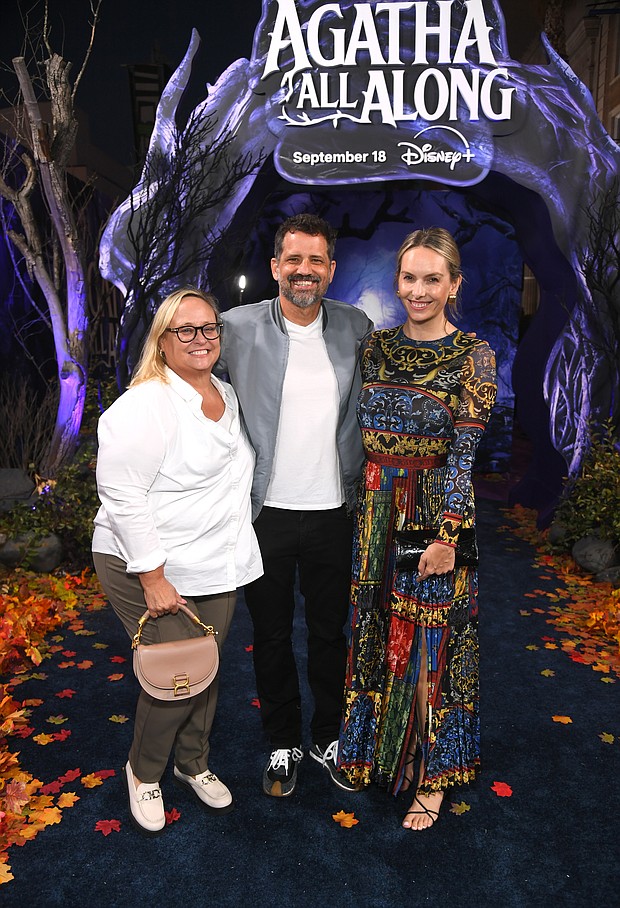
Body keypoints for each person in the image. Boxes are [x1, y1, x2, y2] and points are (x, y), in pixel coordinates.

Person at [336, 227, 497, 830]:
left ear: (454, 284)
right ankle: (374, 754)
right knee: (376, 629)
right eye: (410, 277)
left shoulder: (473, 356)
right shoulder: (374, 347)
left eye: (433, 279)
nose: (419, 290)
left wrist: (447, 536)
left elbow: (463, 457)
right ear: (396, 280)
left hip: (431, 511)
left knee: (430, 642)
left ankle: (433, 776)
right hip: (375, 507)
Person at [92, 287, 262, 834]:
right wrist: (154, 577)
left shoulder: (228, 396)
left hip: (215, 560)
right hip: (146, 564)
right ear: (162, 342)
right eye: (184, 330)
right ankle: (143, 774)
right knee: (173, 676)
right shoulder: (145, 405)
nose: (200, 339)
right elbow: (121, 495)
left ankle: (193, 764)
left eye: (209, 328)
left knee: (204, 673)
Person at [217, 213, 373, 797]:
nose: (303, 271)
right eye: (293, 259)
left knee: (331, 633)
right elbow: (189, 372)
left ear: (331, 270)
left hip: (335, 511)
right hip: (266, 516)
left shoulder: (356, 327)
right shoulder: (235, 327)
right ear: (276, 266)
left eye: (316, 261)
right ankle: (282, 739)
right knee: (273, 633)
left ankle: (327, 735)